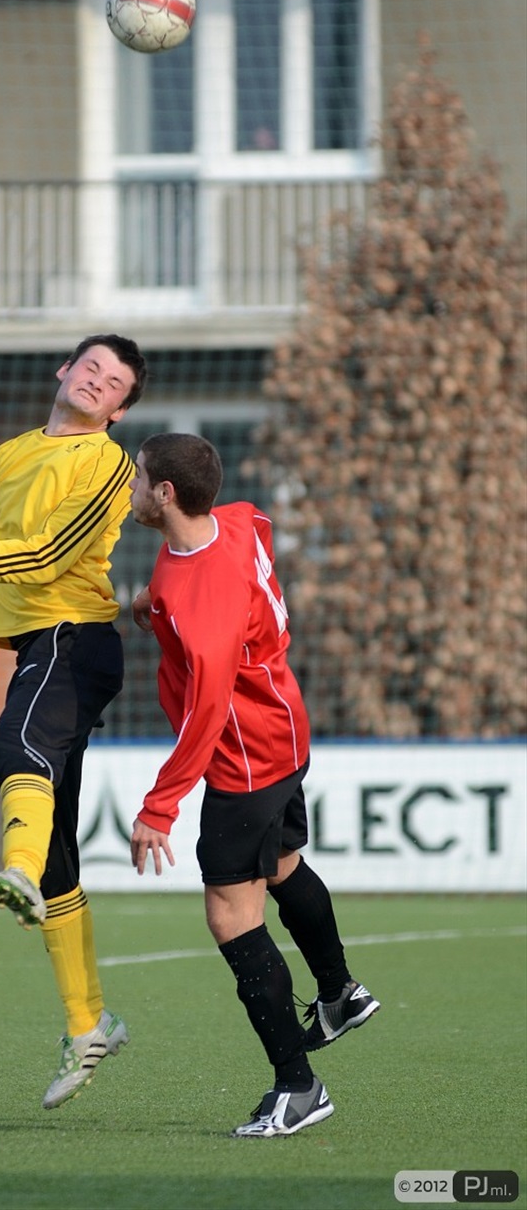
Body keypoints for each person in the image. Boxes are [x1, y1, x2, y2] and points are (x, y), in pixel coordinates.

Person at [0, 333, 147, 1110]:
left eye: (114, 384)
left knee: (14, 744)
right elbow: (21, 551)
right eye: (92, 368)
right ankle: (89, 1023)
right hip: (37, 642)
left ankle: (13, 870)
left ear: (118, 408)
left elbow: (43, 557)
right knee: (61, 860)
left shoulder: (108, 463)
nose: (97, 383)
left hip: (78, 638)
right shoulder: (7, 455)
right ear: (64, 370)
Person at [128, 432, 379, 1139]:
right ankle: (340, 993)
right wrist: (157, 613)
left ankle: (298, 1087)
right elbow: (254, 530)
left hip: (243, 759)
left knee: (229, 914)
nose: (132, 488)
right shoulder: (231, 521)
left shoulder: (198, 593)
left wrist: (159, 806)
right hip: (284, 728)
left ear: (166, 494)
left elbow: (206, 713)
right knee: (282, 867)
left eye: (140, 478)